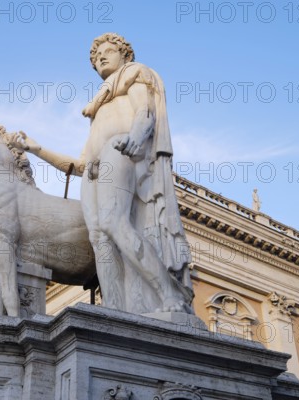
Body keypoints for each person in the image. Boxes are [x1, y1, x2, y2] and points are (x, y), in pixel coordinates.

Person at [11, 33, 193, 314]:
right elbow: (78, 165)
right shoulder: (99, 109)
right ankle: (116, 308)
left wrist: (134, 138)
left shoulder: (133, 75)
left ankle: (169, 295)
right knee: (99, 237)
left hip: (119, 150)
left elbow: (145, 111)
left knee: (113, 223)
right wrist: (36, 149)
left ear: (125, 55)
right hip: (94, 167)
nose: (101, 59)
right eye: (96, 58)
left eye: (107, 52)